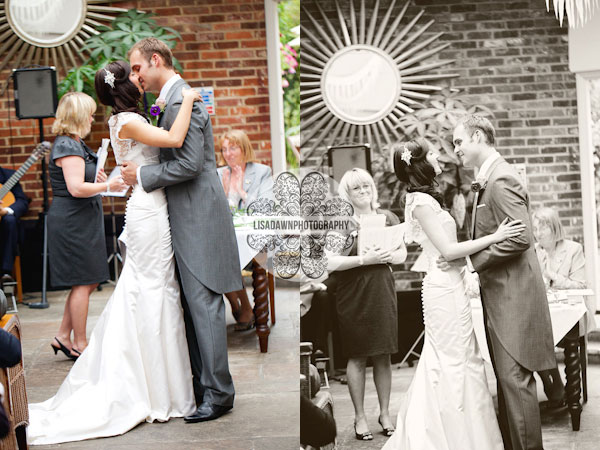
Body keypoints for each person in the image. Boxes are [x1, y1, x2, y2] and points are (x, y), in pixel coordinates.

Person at [27, 60, 202, 445]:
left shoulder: (123, 120)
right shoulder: (126, 121)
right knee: (153, 291)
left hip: (148, 207)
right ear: (125, 86)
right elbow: (173, 140)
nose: (142, 80)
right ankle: (156, 389)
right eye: (137, 77)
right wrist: (189, 98)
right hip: (147, 212)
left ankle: (164, 385)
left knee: (150, 290)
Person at [122, 38, 242, 424]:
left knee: (204, 304)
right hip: (185, 213)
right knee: (192, 305)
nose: (136, 76)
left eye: (138, 68)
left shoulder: (178, 101)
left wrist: (142, 175)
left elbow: (190, 164)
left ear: (155, 60)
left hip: (197, 214)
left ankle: (219, 393)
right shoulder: (172, 100)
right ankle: (204, 385)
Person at [383, 138, 529, 450]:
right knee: (452, 362)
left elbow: (444, 250)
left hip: (452, 286)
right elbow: (449, 251)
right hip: (442, 290)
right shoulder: (420, 204)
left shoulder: (428, 200)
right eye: (433, 153)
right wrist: (496, 236)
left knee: (465, 359)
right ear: (420, 163)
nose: (440, 157)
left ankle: (472, 437)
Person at [436, 114, 555, 450]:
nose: (455, 149)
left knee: (515, 382)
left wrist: (473, 263)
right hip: (502, 296)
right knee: (508, 384)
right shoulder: (488, 178)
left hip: (513, 297)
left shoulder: (501, 179)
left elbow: (520, 237)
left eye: (459, 141)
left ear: (477, 137)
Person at [327, 168, 406, 441]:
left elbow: (403, 253)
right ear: (347, 194)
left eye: (366, 186)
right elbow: (329, 262)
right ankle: (360, 416)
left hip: (382, 288)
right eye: (356, 188)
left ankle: (385, 413)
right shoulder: (341, 223)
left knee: (383, 353)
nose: (363, 192)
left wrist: (390, 254)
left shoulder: (388, 217)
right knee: (357, 355)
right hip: (353, 292)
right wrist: (364, 260)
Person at [44, 92, 125, 361]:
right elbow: (76, 188)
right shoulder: (66, 145)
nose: (92, 117)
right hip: (72, 222)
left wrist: (97, 176)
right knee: (83, 281)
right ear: (78, 116)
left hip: (82, 220)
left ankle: (63, 336)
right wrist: (107, 185)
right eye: (89, 113)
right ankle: (79, 342)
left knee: (87, 281)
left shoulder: (75, 143)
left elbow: (83, 180)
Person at [533, 206, 590, 408]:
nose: (537, 234)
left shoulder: (573, 249)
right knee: (528, 336)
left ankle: (565, 393)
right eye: (535, 229)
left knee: (545, 336)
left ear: (554, 228)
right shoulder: (533, 251)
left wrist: (551, 275)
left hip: (568, 317)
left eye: (542, 229)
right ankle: (554, 384)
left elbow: (581, 285)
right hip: (541, 313)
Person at [217, 129, 274, 330]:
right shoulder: (219, 174)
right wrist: (224, 194)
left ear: (244, 149)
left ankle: (246, 310)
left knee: (226, 258)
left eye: (233, 148)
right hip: (226, 238)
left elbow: (266, 208)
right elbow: (214, 210)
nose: (228, 154)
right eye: (224, 149)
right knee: (215, 257)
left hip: (253, 241)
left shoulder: (261, 172)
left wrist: (242, 192)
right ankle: (239, 305)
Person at [0, 165, 29, 287]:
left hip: (3, 231)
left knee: (10, 220)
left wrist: (5, 210)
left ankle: (6, 274)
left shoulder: (8, 175)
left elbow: (22, 202)